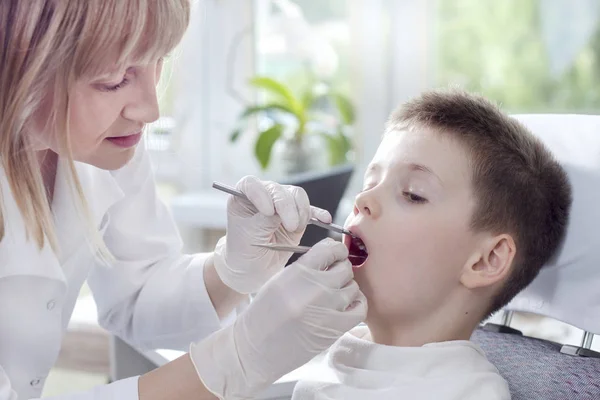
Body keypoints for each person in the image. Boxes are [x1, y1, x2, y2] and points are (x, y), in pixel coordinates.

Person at [0, 1, 367, 399]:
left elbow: (136, 292)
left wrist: (231, 272)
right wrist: (239, 358)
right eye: (113, 79)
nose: (151, 110)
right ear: (18, 59)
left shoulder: (104, 143)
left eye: (158, 61)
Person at [292, 88, 573, 399]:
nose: (363, 200)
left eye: (413, 194)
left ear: (486, 260)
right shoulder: (340, 359)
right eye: (369, 184)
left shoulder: (465, 393)